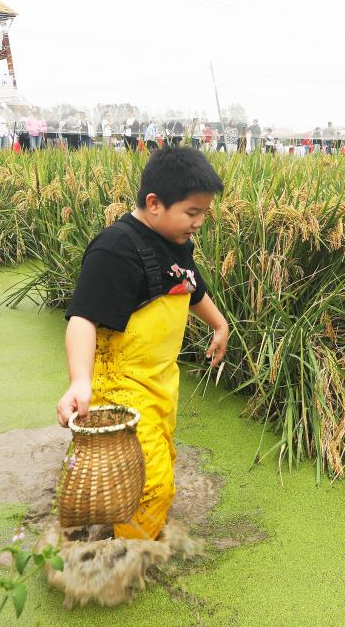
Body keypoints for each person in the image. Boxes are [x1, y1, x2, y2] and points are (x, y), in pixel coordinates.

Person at [56, 146, 229, 540]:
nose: (200, 222)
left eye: (204, 212)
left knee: (157, 462)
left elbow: (190, 283)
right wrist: (79, 381)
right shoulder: (115, 249)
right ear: (154, 203)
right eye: (192, 212)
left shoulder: (174, 239)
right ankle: (125, 565)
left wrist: (219, 325)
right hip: (120, 386)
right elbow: (83, 318)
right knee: (150, 485)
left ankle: (110, 530)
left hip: (161, 385)